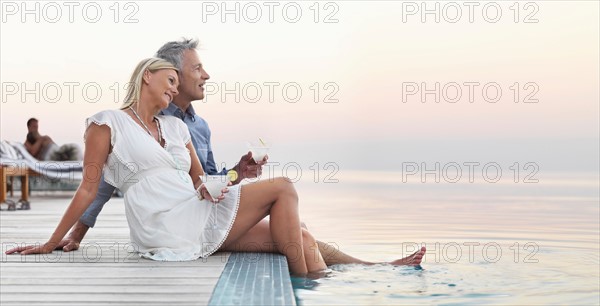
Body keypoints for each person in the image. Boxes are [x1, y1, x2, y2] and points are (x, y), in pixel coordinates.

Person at [6, 57, 425, 273]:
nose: (175, 90)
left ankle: (371, 270)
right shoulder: (107, 122)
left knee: (299, 233)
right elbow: (88, 187)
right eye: (170, 80)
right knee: (284, 188)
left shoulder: (175, 128)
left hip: (195, 211)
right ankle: (311, 285)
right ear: (146, 77)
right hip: (163, 225)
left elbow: (202, 186)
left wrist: (237, 174)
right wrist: (54, 241)